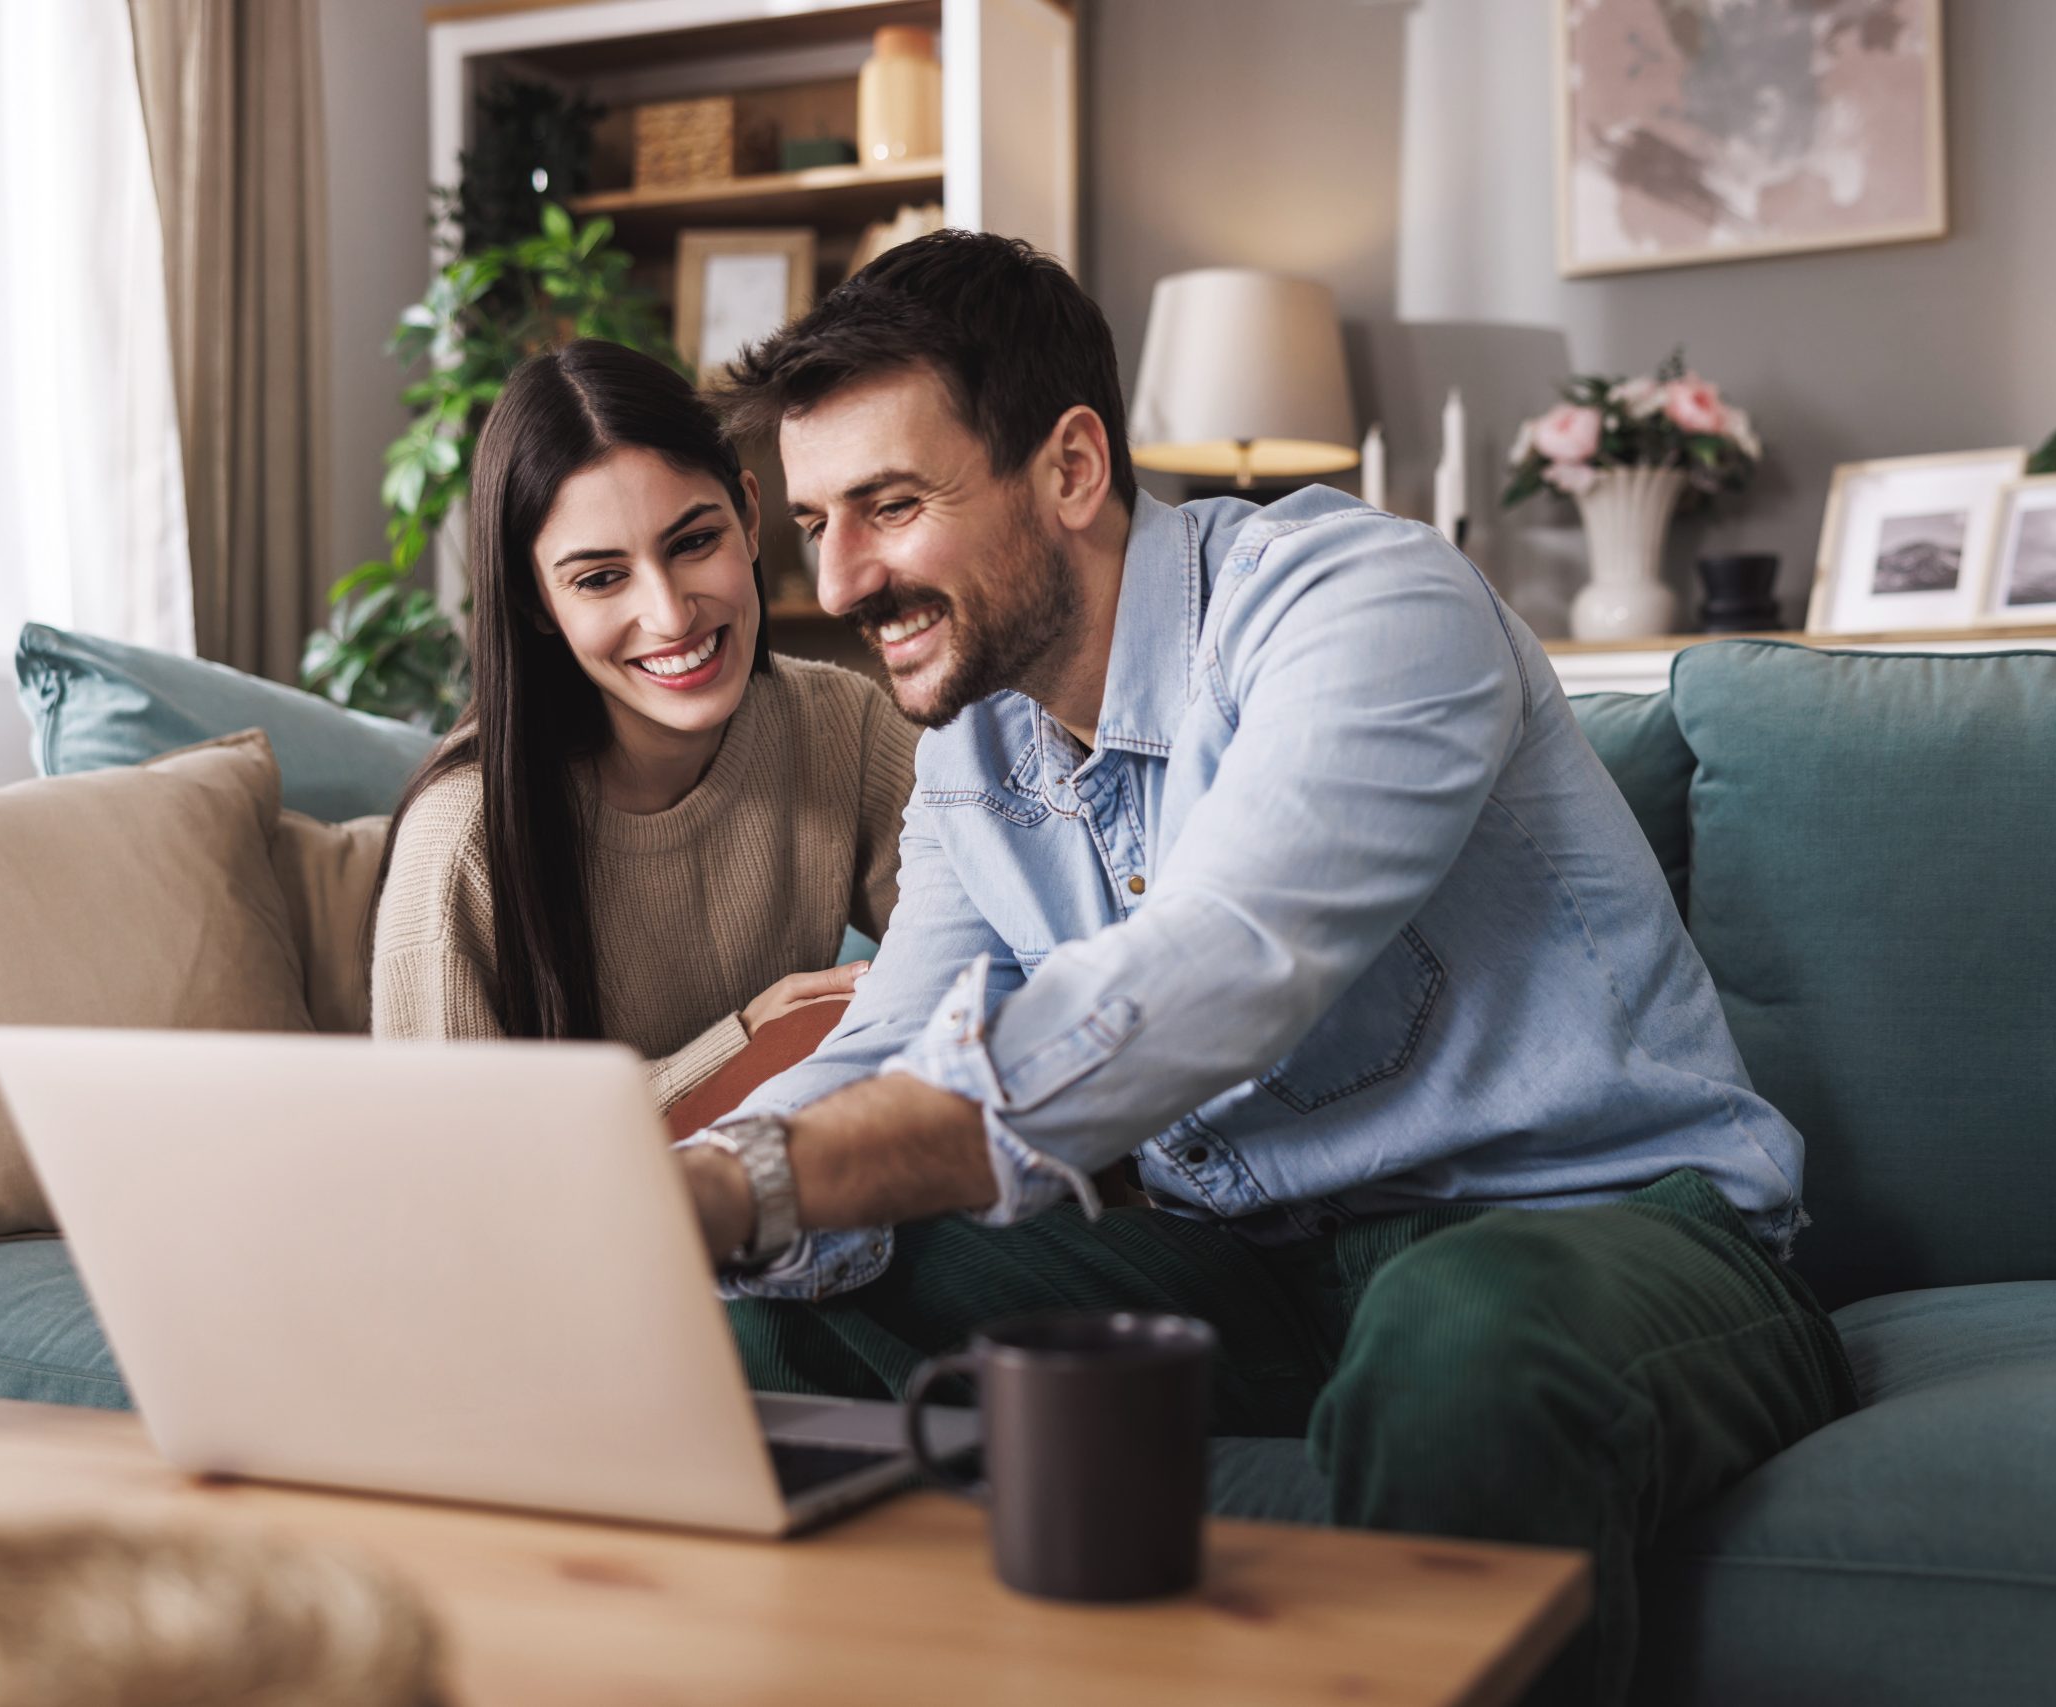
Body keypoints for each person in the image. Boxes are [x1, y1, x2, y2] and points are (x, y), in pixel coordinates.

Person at [682, 234, 1853, 1705]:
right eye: (814, 521)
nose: (842, 576)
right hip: (1258, 1277)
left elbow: (1227, 963)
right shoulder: (973, 756)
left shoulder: (1359, 602)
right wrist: (683, 1188)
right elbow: (888, 1055)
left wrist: (758, 1176)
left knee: (1462, 1334)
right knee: (768, 1294)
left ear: (1071, 467)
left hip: (1610, 1237)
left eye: (892, 506)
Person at [370, 341, 916, 1112]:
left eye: (694, 542)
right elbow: (448, 1169)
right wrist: (743, 1049)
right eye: (599, 578)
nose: (668, 613)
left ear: (751, 518)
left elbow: (999, 957)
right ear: (536, 604)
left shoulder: (839, 726)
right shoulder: (464, 841)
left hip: (797, 1207)